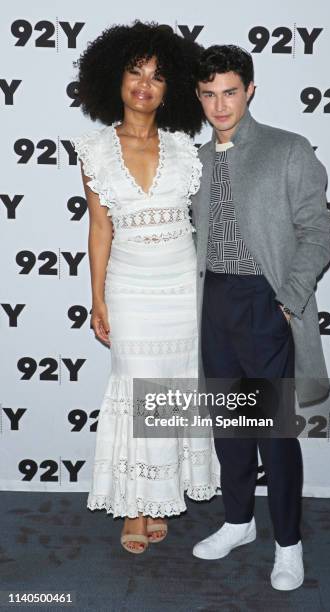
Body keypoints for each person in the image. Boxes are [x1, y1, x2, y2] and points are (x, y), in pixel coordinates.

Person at [71, 21, 219, 554]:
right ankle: (134, 505)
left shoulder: (185, 148)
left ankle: (162, 495)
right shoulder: (93, 149)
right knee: (137, 390)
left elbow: (203, 223)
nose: (144, 85)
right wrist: (97, 298)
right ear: (114, 78)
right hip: (130, 286)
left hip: (183, 285)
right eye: (135, 73)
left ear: (170, 87)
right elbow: (99, 227)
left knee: (174, 388)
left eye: (157, 77)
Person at [191, 45, 330, 589]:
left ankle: (289, 544)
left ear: (250, 89)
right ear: (199, 97)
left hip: (266, 302)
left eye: (230, 91)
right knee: (229, 428)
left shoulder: (288, 149)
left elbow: (317, 232)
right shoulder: (197, 161)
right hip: (214, 304)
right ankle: (238, 521)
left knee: (273, 434)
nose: (219, 105)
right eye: (208, 94)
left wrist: (288, 296)